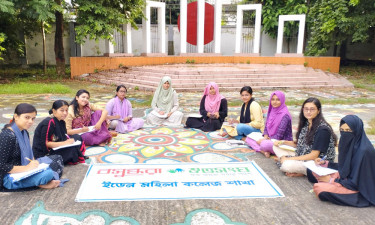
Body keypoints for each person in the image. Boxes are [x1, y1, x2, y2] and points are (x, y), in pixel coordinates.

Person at [309, 115, 375, 207]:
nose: (345, 134)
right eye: (342, 130)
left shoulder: (364, 151)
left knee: (320, 188)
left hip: (359, 189)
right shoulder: (352, 144)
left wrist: (331, 180)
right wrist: (325, 163)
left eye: (348, 131)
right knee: (312, 171)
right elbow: (346, 166)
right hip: (346, 178)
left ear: (357, 131)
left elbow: (357, 183)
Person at [0, 103, 62, 191]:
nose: (30, 122)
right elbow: (2, 166)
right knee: (48, 174)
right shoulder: (7, 135)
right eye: (27, 117)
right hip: (10, 177)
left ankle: (39, 181)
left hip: (25, 170)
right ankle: (40, 184)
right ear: (16, 116)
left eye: (33, 118)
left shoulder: (24, 132)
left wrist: (34, 163)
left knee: (57, 159)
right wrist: (27, 168)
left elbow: (29, 154)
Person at [274, 97, 337, 177]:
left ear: (318, 111)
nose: (308, 112)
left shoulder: (322, 129)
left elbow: (314, 156)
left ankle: (302, 171)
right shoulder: (306, 123)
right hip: (303, 154)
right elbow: (299, 144)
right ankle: (286, 161)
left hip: (316, 163)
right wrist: (283, 142)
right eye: (306, 109)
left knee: (287, 165)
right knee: (276, 146)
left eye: (312, 109)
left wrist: (289, 159)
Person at [33, 100, 87, 165]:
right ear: (54, 111)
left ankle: (75, 156)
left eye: (66, 110)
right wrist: (65, 143)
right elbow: (46, 144)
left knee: (77, 137)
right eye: (62, 110)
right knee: (73, 150)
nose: (65, 113)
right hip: (45, 153)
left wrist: (67, 141)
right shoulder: (48, 123)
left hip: (56, 147)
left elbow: (64, 135)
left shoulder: (61, 121)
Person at [245, 91, 293, 157]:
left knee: (264, 144)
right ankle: (263, 151)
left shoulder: (285, 115)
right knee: (248, 138)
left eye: (278, 100)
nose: (275, 102)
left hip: (280, 143)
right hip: (269, 139)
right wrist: (265, 136)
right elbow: (266, 127)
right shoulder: (272, 111)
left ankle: (264, 149)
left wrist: (264, 140)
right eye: (273, 99)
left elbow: (279, 136)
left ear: (282, 100)